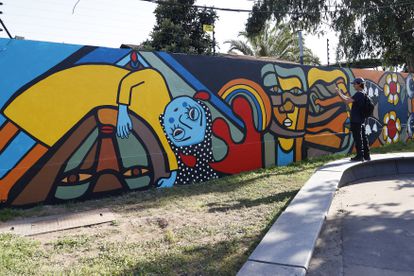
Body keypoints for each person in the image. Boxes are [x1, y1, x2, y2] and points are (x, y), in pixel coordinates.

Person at [335, 77, 370, 161]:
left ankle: (359, 156)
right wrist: (340, 92)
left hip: (356, 120)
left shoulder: (359, 94)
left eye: (354, 84)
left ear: (358, 84)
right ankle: (366, 155)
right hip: (360, 120)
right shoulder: (363, 93)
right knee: (363, 138)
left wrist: (338, 94)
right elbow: (348, 99)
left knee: (358, 138)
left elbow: (346, 101)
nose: (353, 86)